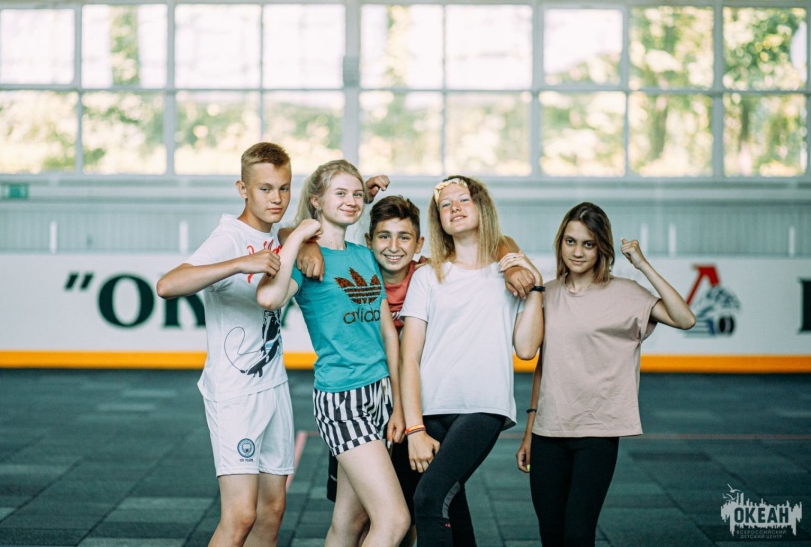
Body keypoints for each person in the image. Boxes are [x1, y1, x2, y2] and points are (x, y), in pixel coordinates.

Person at [516, 202, 696, 547]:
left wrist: (643, 265)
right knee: (550, 534)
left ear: (602, 248)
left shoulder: (626, 293)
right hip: (548, 431)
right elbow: (544, 365)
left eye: (588, 244)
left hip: (597, 432)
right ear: (560, 243)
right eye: (570, 242)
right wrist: (529, 431)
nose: (577, 252)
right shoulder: (547, 293)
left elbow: (685, 318)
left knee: (577, 535)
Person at [256, 160, 410, 547]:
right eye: (340, 193)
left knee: (350, 522)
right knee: (394, 520)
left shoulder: (365, 255)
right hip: (343, 398)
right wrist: (300, 237)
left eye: (357, 194)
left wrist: (398, 405)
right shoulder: (305, 260)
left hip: (380, 394)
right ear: (316, 201)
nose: (351, 200)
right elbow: (269, 298)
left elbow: (387, 333)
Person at [155, 142, 294, 547]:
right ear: (243, 189)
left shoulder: (278, 234)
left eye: (284, 188)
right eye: (265, 189)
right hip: (234, 394)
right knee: (241, 516)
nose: (276, 198)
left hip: (274, 385)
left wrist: (363, 193)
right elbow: (167, 285)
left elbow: (320, 214)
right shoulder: (229, 237)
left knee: (272, 510)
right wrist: (238, 263)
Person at [400, 175, 544, 547]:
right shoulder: (427, 277)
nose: (455, 208)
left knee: (429, 499)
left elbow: (526, 348)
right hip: (431, 410)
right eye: (445, 205)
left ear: (481, 207)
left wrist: (535, 289)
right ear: (439, 220)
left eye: (463, 199)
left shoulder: (509, 275)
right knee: (452, 510)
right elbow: (409, 357)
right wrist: (415, 429)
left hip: (483, 407)